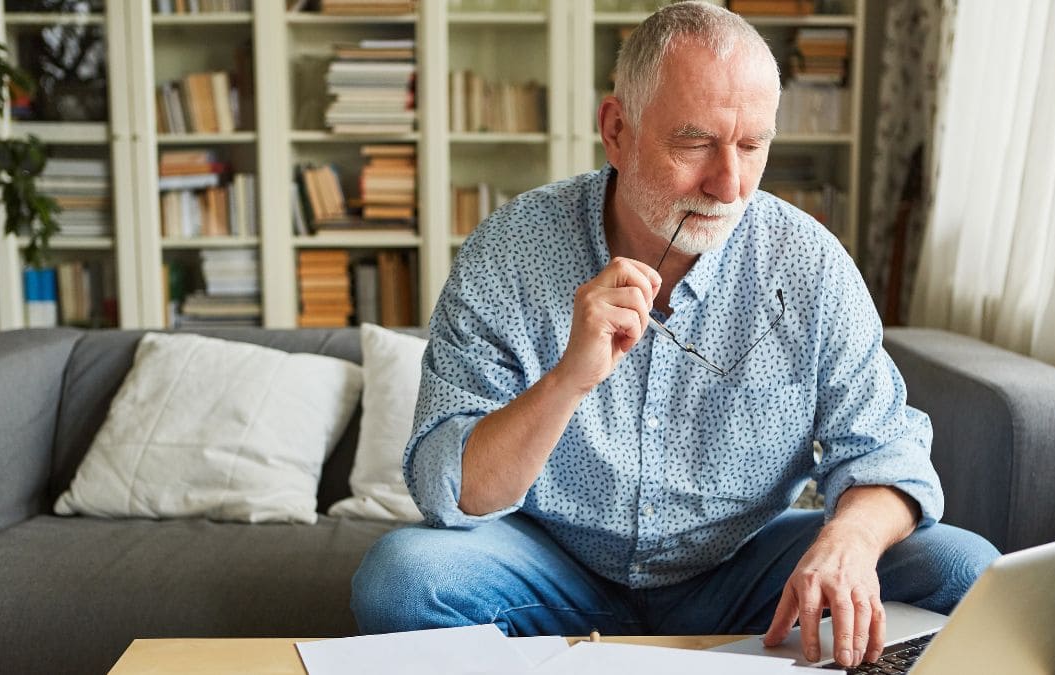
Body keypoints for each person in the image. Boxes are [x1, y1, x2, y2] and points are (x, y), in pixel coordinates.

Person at [351, 2, 999, 669]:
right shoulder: (511, 251)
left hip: (742, 569)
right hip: (551, 567)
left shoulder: (810, 264)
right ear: (617, 129)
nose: (729, 183)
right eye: (695, 143)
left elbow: (886, 449)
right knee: (401, 579)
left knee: (964, 570)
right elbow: (448, 492)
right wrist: (568, 378)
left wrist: (852, 539)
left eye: (752, 146)